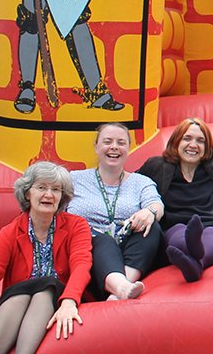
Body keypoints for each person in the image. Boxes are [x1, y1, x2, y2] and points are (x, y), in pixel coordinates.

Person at [0, 162, 91, 353]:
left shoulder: (76, 226)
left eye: (56, 189)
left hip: (56, 295)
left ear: (62, 196)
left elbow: (81, 266)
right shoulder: (9, 233)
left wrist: (69, 302)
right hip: (17, 300)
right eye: (41, 187)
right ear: (27, 193)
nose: (49, 195)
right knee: (19, 296)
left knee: (46, 289)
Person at [67, 123, 162, 300]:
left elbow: (156, 204)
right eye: (107, 141)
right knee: (103, 240)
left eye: (121, 142)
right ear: (96, 147)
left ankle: (120, 288)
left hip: (128, 250)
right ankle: (121, 287)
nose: (114, 147)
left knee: (152, 227)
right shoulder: (74, 179)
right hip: (87, 249)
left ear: (128, 148)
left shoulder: (140, 182)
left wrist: (150, 212)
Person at [136, 118, 213, 282]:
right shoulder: (156, 166)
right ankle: (195, 258)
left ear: (207, 146)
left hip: (212, 224)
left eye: (200, 141)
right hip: (174, 225)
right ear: (176, 141)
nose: (193, 145)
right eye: (187, 139)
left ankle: (196, 264)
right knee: (179, 233)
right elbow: (133, 186)